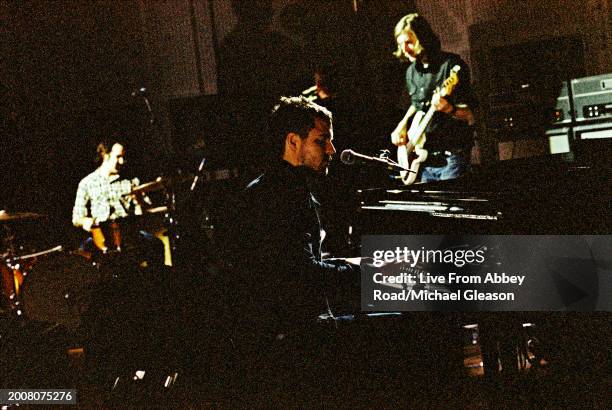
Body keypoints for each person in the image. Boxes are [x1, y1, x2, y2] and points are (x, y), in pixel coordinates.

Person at [390, 13, 476, 183]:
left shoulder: (451, 66)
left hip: (452, 157)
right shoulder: (411, 72)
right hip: (423, 159)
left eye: (409, 42)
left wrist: (449, 109)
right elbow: (417, 104)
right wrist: (403, 124)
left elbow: (470, 115)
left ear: (423, 38)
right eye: (401, 44)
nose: (404, 49)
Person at [72, 141, 162, 266]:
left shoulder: (130, 181)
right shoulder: (86, 183)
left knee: (156, 245)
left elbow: (148, 210)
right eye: (118, 157)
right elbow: (76, 217)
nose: (122, 161)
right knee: (81, 255)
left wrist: (140, 203)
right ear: (105, 155)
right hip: (101, 236)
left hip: (129, 234)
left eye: (123, 157)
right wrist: (85, 221)